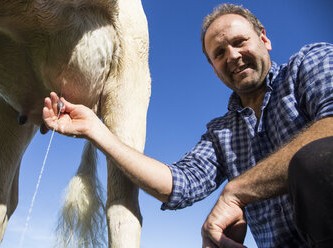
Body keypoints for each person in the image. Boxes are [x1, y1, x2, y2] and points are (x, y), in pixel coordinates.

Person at [43, 3, 333, 248]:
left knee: (314, 161)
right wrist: (95, 130)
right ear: (213, 66)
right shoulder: (223, 134)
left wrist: (238, 190)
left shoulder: (309, 64)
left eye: (239, 41)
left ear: (264, 39)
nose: (231, 56)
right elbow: (176, 184)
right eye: (219, 53)